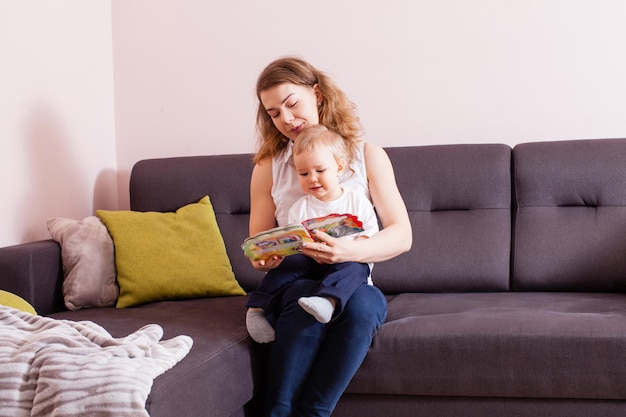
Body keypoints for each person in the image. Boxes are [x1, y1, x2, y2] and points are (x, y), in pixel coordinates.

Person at [248, 56, 412, 417]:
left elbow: (401, 235)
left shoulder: (366, 155)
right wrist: (264, 257)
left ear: (317, 94)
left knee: (366, 304)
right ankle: (278, 409)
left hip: (350, 277)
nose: (286, 119)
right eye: (274, 113)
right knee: (302, 297)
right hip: (298, 278)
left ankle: (314, 412)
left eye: (292, 104)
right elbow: (260, 241)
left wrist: (347, 252)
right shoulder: (267, 166)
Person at [246, 124, 379, 338]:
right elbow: (295, 242)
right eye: (304, 173)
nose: (312, 178)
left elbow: (369, 237)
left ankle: (328, 301)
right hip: (309, 265)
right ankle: (258, 309)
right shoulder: (300, 207)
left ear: (338, 167)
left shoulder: (357, 201)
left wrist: (347, 249)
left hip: (343, 261)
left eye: (320, 170)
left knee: (357, 267)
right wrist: (280, 251)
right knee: (290, 263)